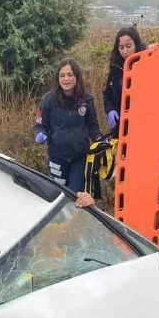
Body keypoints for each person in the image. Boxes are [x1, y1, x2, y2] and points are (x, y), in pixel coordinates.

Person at [34, 59, 102, 207]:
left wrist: (99, 140)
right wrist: (40, 134)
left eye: (70, 75)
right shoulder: (48, 100)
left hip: (79, 157)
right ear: (57, 79)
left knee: (75, 197)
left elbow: (92, 126)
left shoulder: (87, 99)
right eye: (62, 75)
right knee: (58, 196)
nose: (66, 79)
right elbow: (39, 126)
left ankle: (73, 225)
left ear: (76, 76)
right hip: (57, 158)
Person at [103, 26, 146, 134]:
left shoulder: (146, 64)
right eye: (121, 47)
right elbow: (108, 94)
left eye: (128, 46)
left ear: (136, 45)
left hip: (142, 123)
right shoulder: (115, 68)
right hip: (120, 127)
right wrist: (110, 110)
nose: (125, 51)